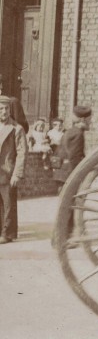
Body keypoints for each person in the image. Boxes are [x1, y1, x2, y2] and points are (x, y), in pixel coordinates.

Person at [0, 95, 28, 244]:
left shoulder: (16, 128)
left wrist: (17, 174)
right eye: (0, 109)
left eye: (6, 109)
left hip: (8, 172)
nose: (4, 112)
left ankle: (7, 233)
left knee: (9, 204)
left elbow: (22, 152)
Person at [53, 106, 92, 190]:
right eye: (89, 120)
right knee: (70, 201)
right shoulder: (78, 134)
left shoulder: (71, 131)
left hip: (62, 172)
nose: (90, 122)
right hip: (69, 173)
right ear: (82, 120)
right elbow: (74, 157)